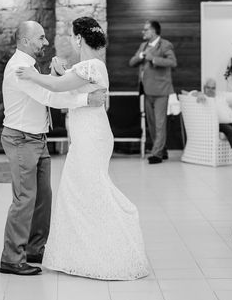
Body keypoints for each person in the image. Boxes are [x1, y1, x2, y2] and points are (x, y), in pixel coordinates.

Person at [17, 17, 149, 280]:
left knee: (87, 190)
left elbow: (57, 88)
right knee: (80, 191)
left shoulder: (90, 65)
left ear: (79, 39)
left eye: (71, 36)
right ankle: (84, 251)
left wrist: (35, 75)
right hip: (89, 133)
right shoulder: (91, 66)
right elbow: (66, 91)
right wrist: (57, 72)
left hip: (91, 136)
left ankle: (106, 252)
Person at [0, 20, 107, 276]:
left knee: (43, 198)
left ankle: (35, 249)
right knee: (25, 198)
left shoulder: (30, 67)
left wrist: (55, 74)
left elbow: (46, 86)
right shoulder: (18, 67)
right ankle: (12, 258)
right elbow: (47, 96)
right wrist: (86, 99)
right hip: (21, 138)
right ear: (25, 41)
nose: (46, 43)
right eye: (41, 38)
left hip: (37, 138)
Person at [128, 20, 177, 164]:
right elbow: (132, 62)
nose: (143, 32)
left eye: (146, 30)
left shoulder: (165, 45)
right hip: (146, 91)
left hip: (161, 91)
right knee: (152, 123)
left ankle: (157, 154)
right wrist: (142, 56)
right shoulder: (143, 46)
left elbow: (172, 62)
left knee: (160, 124)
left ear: (154, 31)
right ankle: (162, 150)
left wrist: (154, 59)